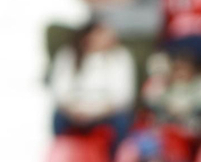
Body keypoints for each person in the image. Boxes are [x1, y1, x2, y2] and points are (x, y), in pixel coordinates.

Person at [49, 20, 137, 149]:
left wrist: (97, 112)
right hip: (74, 111)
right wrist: (74, 111)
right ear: (89, 36)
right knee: (58, 117)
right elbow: (60, 91)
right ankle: (63, 158)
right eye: (103, 33)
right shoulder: (68, 55)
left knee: (122, 121)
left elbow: (123, 96)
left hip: (107, 112)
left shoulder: (120, 56)